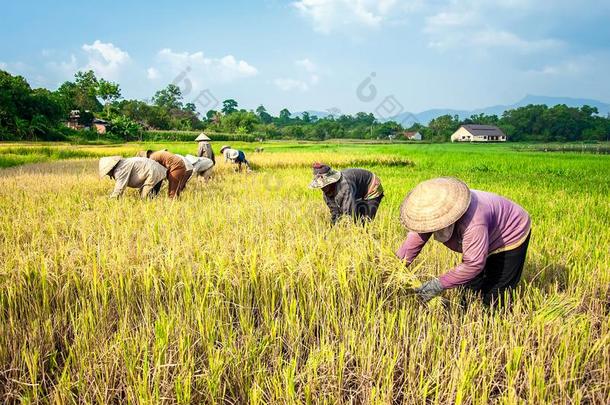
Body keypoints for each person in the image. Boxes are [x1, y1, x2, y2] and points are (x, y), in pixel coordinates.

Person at [396, 177, 531, 306]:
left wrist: (438, 284)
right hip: (485, 230)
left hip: (510, 232)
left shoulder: (473, 222)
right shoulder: (428, 213)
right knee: (469, 288)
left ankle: (489, 320)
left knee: (496, 291)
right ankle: (466, 310)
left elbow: (473, 264)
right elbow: (411, 244)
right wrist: (396, 267)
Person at [308, 163, 384, 225]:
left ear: (331, 182)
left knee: (366, 221)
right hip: (356, 189)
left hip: (371, 186)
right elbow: (335, 212)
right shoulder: (326, 193)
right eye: (321, 186)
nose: (323, 188)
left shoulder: (344, 187)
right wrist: (333, 227)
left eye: (325, 185)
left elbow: (350, 212)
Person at [98, 156, 166, 199]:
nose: (108, 175)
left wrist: (111, 200)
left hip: (153, 173)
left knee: (145, 199)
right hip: (156, 171)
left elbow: (119, 189)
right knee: (150, 198)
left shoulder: (120, 170)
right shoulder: (123, 163)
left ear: (110, 169)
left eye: (107, 173)